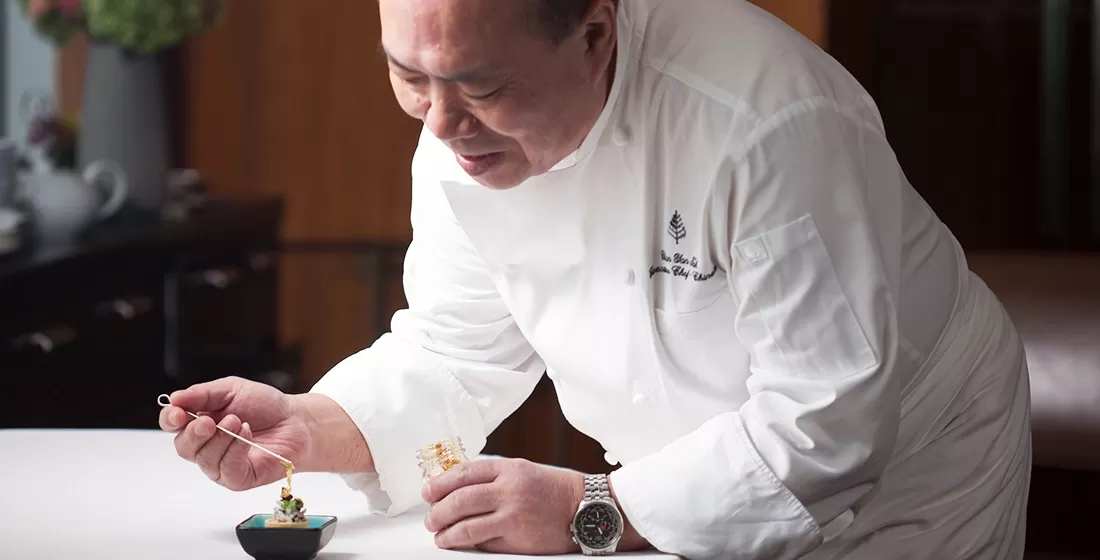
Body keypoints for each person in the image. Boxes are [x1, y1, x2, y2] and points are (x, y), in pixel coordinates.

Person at [159, 0, 1033, 558]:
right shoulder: (457, 125)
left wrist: (594, 510)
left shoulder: (767, 122)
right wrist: (312, 427)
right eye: (406, 76)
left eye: (483, 86)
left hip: (913, 467)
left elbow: (826, 423)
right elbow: (456, 347)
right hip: (686, 480)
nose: (444, 126)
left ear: (594, 36)